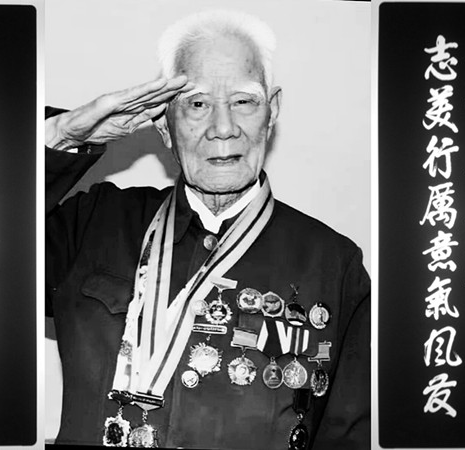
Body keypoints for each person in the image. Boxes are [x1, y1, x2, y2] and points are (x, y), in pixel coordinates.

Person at [46, 10, 370, 449]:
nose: (223, 128)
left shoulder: (334, 263)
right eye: (197, 104)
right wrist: (61, 137)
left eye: (244, 101)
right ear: (164, 124)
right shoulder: (92, 222)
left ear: (272, 111)